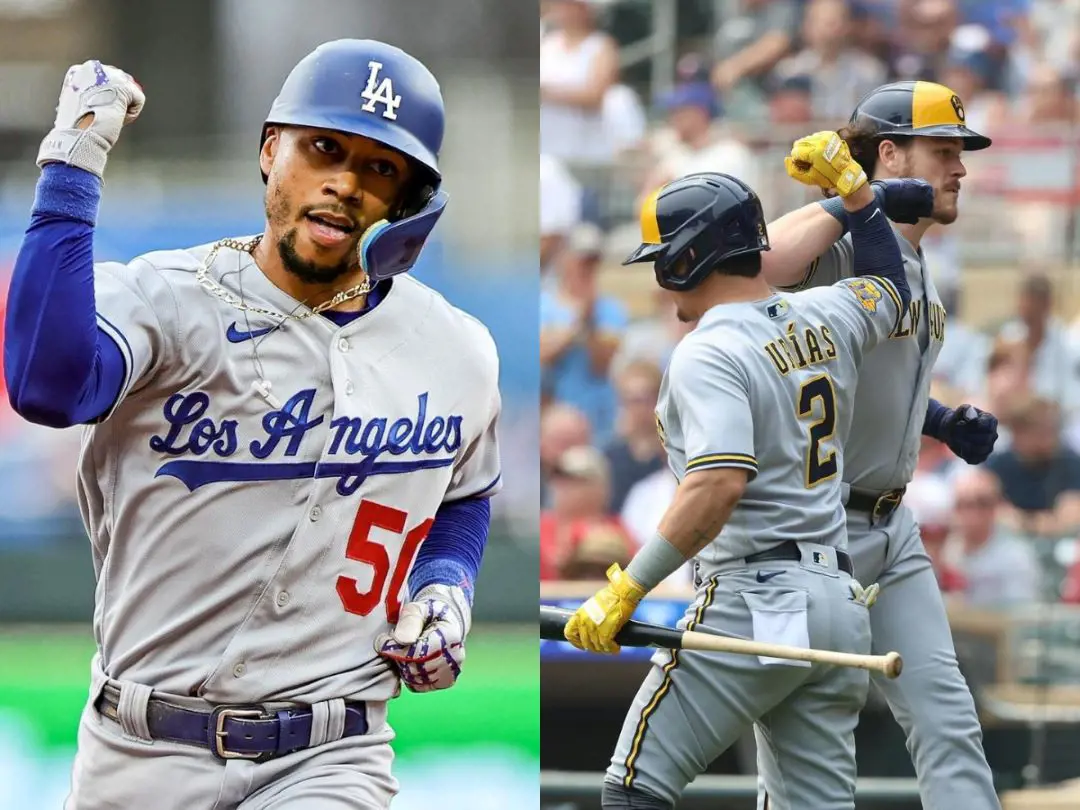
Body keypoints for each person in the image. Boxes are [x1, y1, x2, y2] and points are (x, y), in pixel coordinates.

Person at [3, 41, 502, 809]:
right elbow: (45, 384)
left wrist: (446, 584)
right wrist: (72, 166)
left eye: (379, 168)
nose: (343, 183)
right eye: (324, 148)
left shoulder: (456, 348)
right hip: (140, 749)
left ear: (408, 202)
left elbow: (465, 495)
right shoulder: (167, 298)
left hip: (333, 752)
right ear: (272, 150)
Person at [564, 142, 926, 807]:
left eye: (662, 259)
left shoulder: (711, 349)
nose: (657, 275)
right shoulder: (826, 314)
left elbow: (718, 482)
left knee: (633, 789)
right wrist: (856, 197)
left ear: (687, 258)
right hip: (839, 603)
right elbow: (890, 286)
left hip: (756, 598)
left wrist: (627, 589)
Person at [759, 80, 1002, 810]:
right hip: (810, 528)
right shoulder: (838, 243)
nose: (959, 167)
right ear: (889, 153)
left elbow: (858, 381)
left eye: (961, 152)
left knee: (948, 718)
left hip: (893, 530)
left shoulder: (920, 261)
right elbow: (756, 270)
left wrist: (937, 419)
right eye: (943, 150)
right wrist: (850, 200)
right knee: (800, 742)